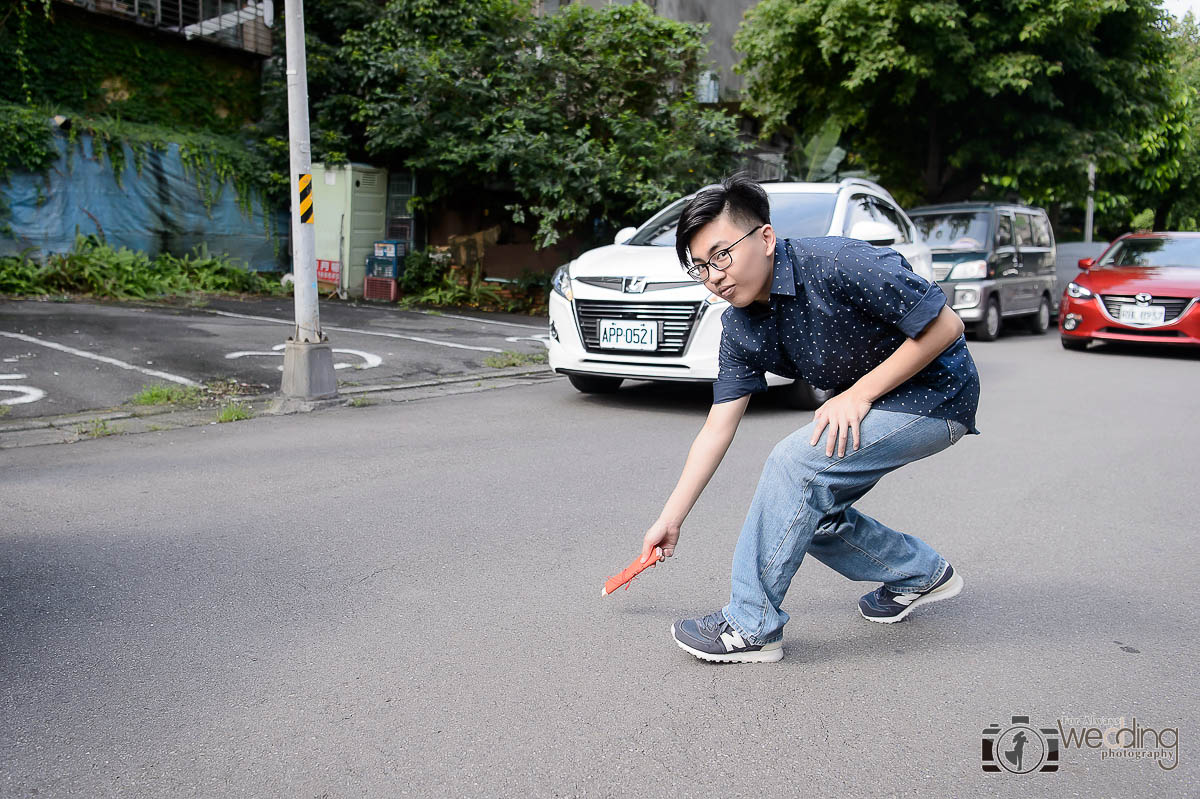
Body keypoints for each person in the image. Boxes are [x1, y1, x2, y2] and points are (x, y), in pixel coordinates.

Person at [640, 175, 980, 664]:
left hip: (937, 396)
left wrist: (858, 395)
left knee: (794, 463)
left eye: (720, 254)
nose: (713, 275)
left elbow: (947, 324)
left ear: (765, 238)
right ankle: (919, 574)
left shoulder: (839, 262)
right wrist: (669, 520)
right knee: (800, 513)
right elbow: (718, 425)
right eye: (699, 266)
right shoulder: (739, 327)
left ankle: (750, 623)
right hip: (875, 403)